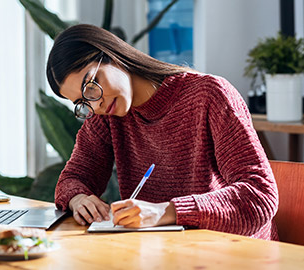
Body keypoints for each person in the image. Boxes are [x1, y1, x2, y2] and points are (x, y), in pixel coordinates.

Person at [46, 24, 278, 240]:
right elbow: (73, 178)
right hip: (161, 252)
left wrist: (166, 212)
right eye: (82, 101)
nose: (95, 105)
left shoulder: (210, 95)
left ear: (111, 55)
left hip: (232, 252)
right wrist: (78, 199)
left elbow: (259, 196)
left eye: (92, 84)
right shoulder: (106, 116)